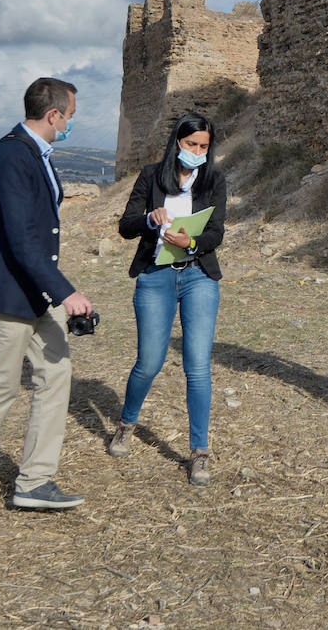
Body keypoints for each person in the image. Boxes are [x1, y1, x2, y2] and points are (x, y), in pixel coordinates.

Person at [0, 77, 93, 514]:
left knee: (56, 372)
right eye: (70, 117)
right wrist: (66, 293)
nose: (71, 124)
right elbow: (20, 238)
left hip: (34, 290)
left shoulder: (37, 153)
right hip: (7, 293)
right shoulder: (13, 155)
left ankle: (34, 480)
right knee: (1, 387)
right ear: (54, 115)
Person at [107, 114, 227, 487]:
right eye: (191, 144)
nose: (197, 152)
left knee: (198, 366)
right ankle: (127, 423)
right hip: (155, 276)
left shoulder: (214, 179)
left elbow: (216, 233)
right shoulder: (151, 175)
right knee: (149, 363)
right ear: (177, 142)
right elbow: (126, 226)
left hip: (197, 276)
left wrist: (190, 242)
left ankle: (199, 452)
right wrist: (148, 219)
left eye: (204, 146)